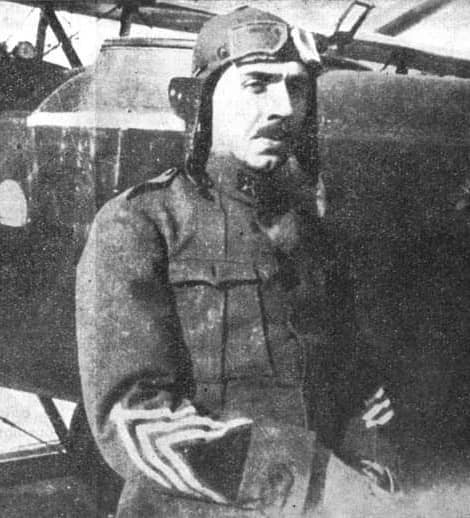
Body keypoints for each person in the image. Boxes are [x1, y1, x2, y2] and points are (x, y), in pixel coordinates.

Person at [77, 7, 395, 517]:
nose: (283, 107)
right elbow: (135, 420)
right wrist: (314, 486)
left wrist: (375, 486)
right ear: (201, 102)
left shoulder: (312, 233)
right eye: (257, 84)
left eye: (296, 88)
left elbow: (359, 390)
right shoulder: (139, 223)